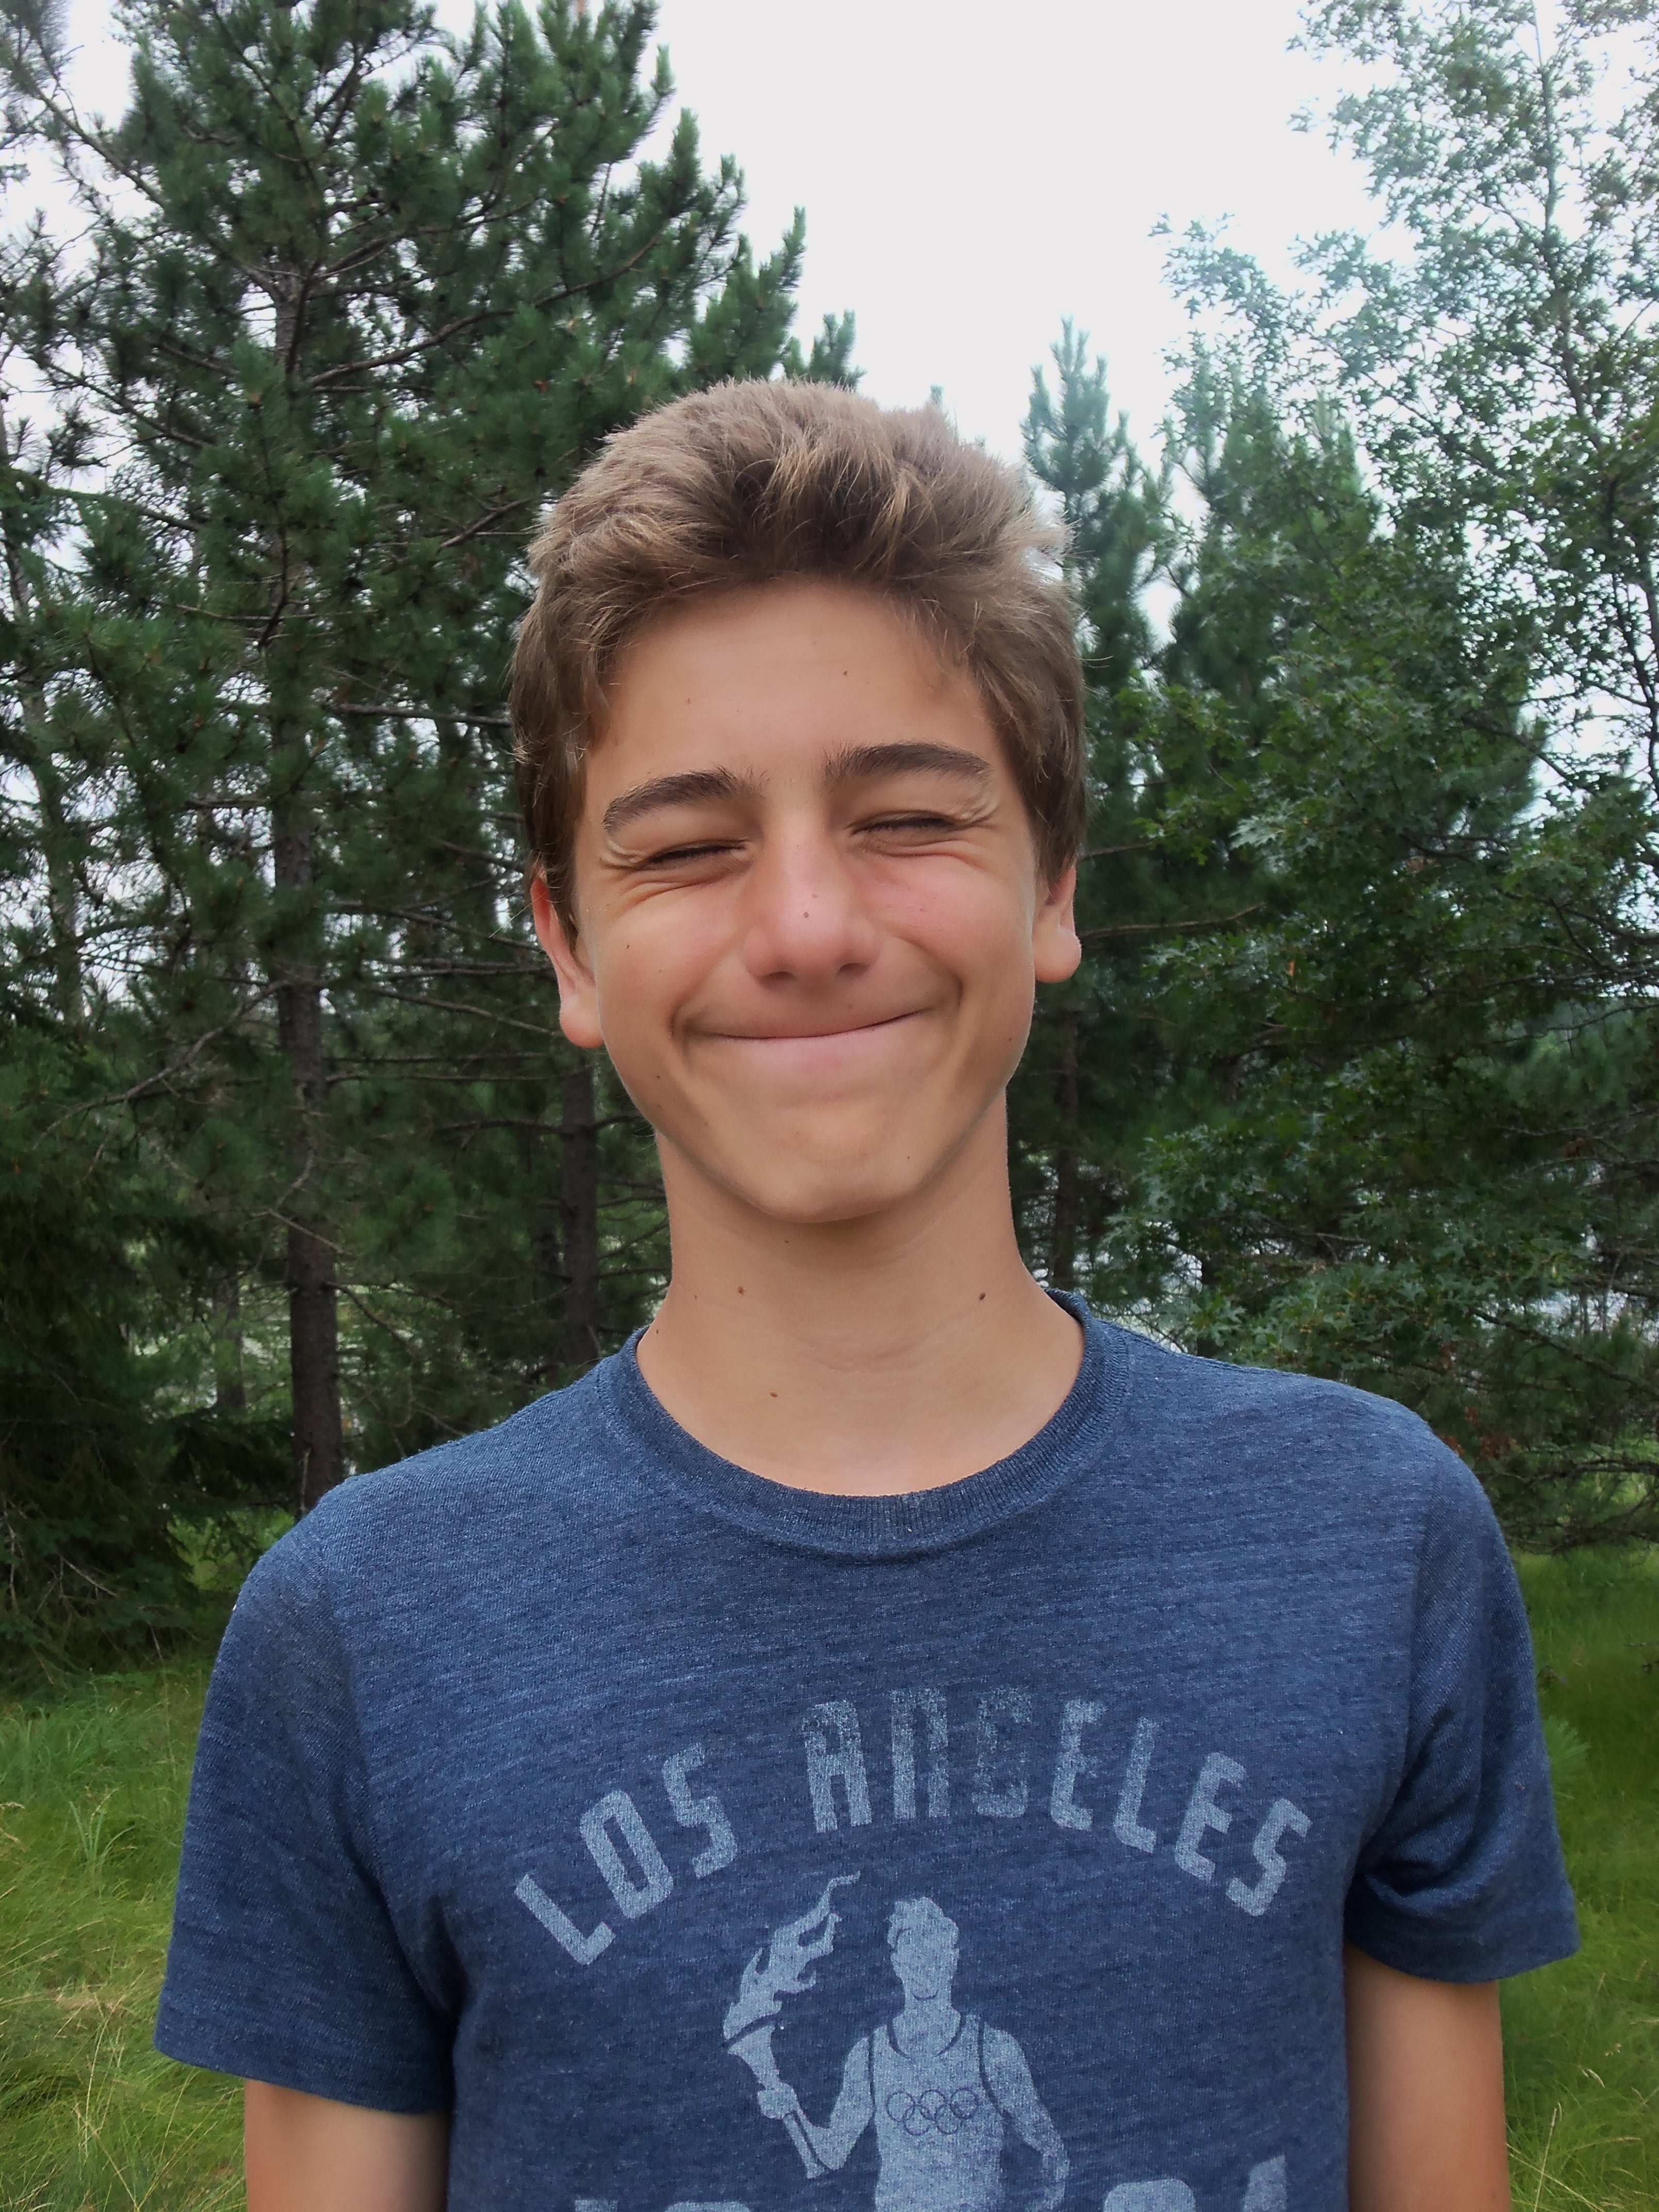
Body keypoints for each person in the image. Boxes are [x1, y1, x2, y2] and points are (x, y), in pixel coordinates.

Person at [155, 380, 1576, 2212]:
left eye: (905, 814)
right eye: (686, 843)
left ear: (1051, 881)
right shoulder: (363, 1631)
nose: (808, 925)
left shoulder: (1372, 1540)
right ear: (568, 942)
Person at [750, 1895, 1068, 2211]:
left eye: (933, 1948)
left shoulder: (993, 2050)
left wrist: (1043, 2204)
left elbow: (1051, 2151)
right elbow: (829, 2157)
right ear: (897, 1962)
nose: (923, 1962)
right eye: (913, 1949)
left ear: (953, 1958)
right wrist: (790, 2110)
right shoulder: (869, 2057)